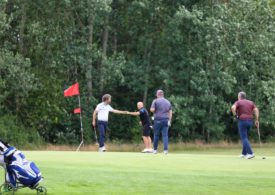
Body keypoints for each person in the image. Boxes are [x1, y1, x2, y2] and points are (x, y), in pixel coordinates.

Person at [231, 91, 259, 159]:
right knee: (245, 137)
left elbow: (232, 108)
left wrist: (235, 116)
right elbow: (256, 110)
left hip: (242, 121)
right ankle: (244, 153)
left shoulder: (238, 102)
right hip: (250, 121)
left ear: (239, 97)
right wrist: (256, 120)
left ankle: (251, 153)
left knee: (244, 138)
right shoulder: (250, 102)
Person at [150, 90, 172, 154]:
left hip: (157, 120)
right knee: (165, 135)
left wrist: (154, 110)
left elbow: (152, 110)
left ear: (157, 94)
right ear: (162, 94)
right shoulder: (168, 101)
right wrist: (169, 121)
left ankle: (155, 150)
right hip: (166, 120)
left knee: (156, 135)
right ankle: (165, 150)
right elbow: (170, 112)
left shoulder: (155, 101)